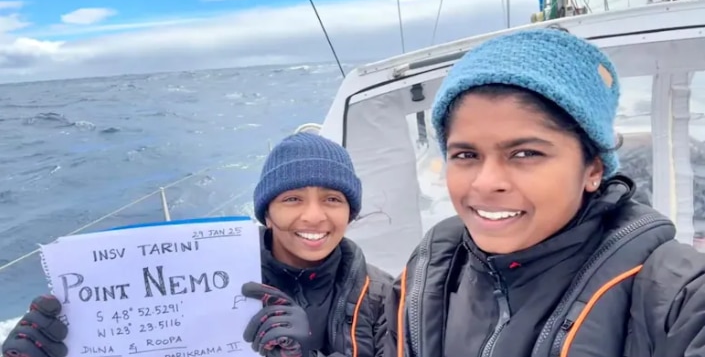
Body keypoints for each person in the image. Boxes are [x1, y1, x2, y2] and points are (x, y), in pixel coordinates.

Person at [383, 27, 705, 357]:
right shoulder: (430, 272)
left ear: (593, 169)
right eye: (466, 155)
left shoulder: (676, 295)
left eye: (525, 154)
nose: (485, 182)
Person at [2, 132, 391, 357]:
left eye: (332, 199)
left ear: (350, 213)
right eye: (291, 199)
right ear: (266, 213)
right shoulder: (199, 273)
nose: (313, 217)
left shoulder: (387, 297)